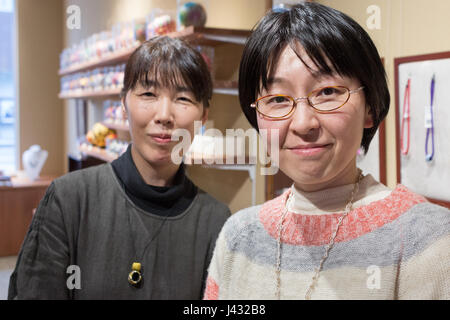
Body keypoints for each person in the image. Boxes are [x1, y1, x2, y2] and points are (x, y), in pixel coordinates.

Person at [204, 3, 450, 300]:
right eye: (278, 98)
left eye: (327, 92)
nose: (304, 123)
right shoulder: (238, 237)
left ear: (370, 107)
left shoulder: (426, 238)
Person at [8, 36, 231, 299]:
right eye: (148, 94)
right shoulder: (69, 199)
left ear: (203, 115)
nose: (164, 115)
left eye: (183, 98)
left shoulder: (216, 221)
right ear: (123, 104)